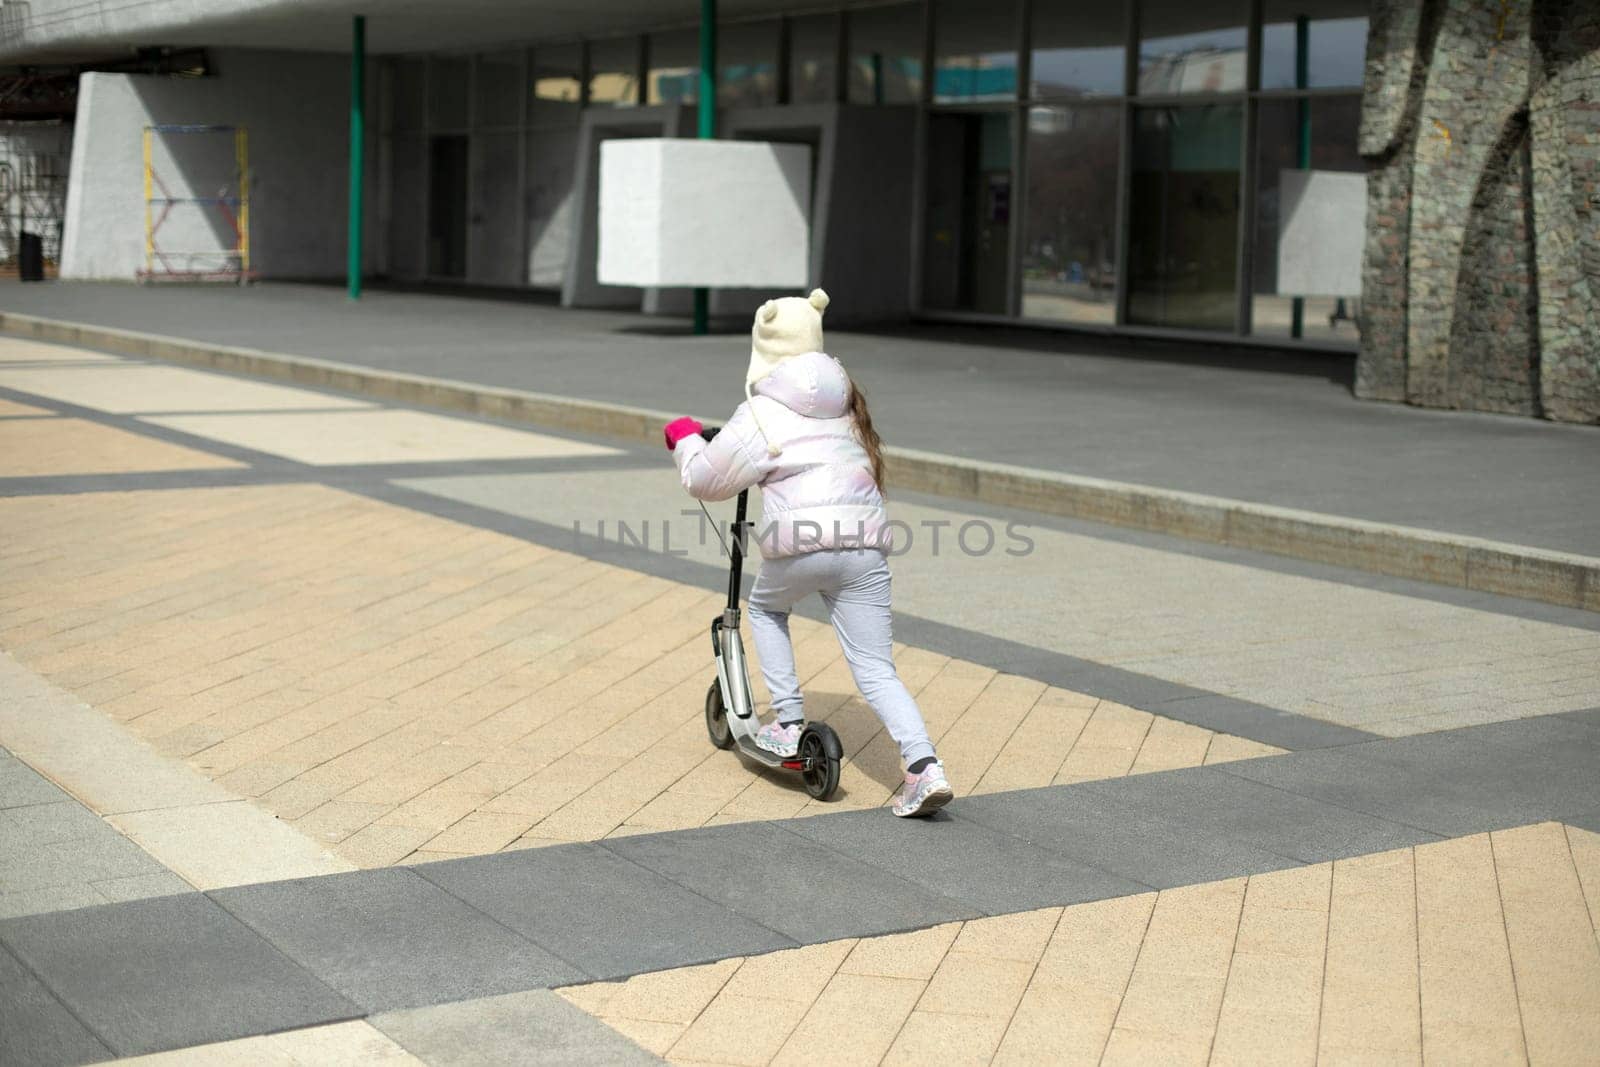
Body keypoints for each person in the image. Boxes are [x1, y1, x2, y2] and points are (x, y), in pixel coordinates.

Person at [661, 288, 953, 818]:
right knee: (875, 666)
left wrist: (684, 438)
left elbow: (706, 480)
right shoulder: (847, 405)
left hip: (803, 546)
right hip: (865, 548)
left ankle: (788, 721)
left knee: (768, 608)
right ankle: (923, 767)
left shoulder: (763, 411)